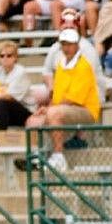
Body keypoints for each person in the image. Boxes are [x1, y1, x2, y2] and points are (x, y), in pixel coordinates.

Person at [26, 27, 102, 172]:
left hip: (86, 111)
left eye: (69, 44)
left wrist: (50, 109)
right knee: (32, 120)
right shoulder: (61, 65)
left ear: (77, 45)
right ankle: (37, 156)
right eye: (64, 44)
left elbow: (73, 99)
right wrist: (46, 108)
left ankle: (58, 156)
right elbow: (58, 96)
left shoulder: (83, 66)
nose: (66, 48)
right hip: (66, 107)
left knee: (55, 113)